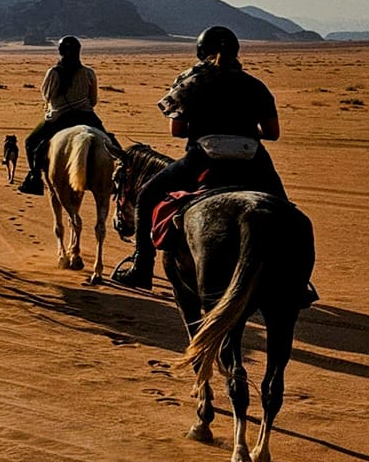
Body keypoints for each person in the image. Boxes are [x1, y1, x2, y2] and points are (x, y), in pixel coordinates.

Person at [116, 25, 285, 289]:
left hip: (204, 156)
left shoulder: (190, 82)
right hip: (252, 157)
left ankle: (142, 265)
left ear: (200, 51)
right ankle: (295, 281)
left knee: (148, 195)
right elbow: (273, 133)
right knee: (283, 209)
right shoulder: (255, 85)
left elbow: (177, 130)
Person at [16, 35, 120, 194]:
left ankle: (34, 177)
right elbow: (93, 101)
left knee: (31, 142)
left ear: (61, 51)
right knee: (111, 142)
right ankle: (122, 175)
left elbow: (47, 96)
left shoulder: (54, 73)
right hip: (87, 116)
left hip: (59, 117)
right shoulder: (89, 73)